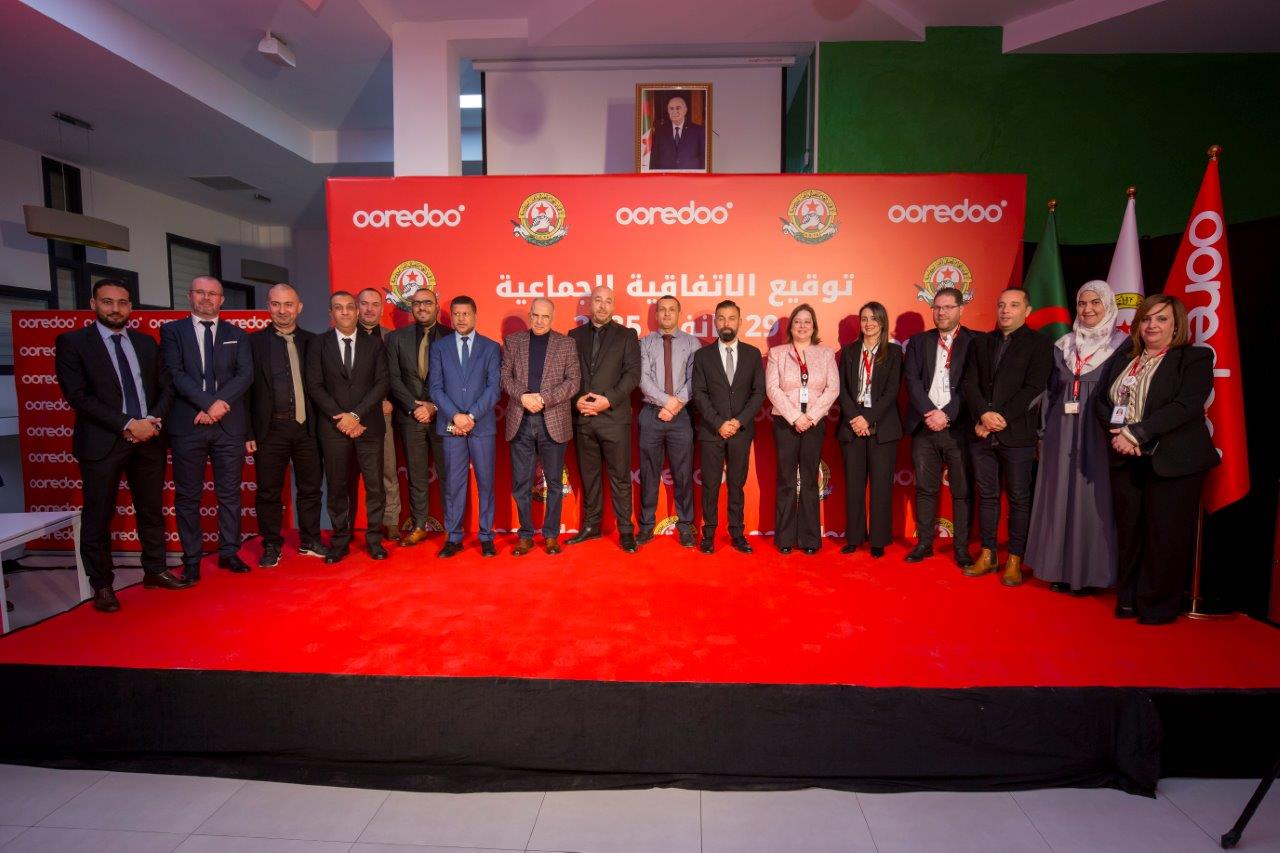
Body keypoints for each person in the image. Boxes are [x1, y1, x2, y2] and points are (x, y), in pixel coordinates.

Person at [55, 279, 190, 612]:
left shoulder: (145, 343)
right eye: (107, 302)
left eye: (122, 302)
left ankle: (155, 570)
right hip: (103, 442)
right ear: (93, 304)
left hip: (148, 440)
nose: (115, 309)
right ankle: (102, 584)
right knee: (98, 515)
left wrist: (151, 422)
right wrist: (128, 424)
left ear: (130, 306)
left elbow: (166, 388)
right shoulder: (73, 343)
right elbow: (78, 396)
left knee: (151, 509)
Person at [1094, 294, 1217, 625]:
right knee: (1130, 533)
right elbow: (1100, 402)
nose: (1152, 325)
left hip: (1174, 460)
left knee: (1165, 535)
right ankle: (1128, 598)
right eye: (1147, 319)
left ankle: (1157, 605)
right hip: (1126, 457)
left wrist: (1136, 434)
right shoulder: (1124, 358)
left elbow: (1185, 406)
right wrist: (1120, 434)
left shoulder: (1194, 358)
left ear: (1176, 325)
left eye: (1161, 319)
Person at [1025, 281, 1128, 594]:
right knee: (1058, 496)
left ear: (1108, 306)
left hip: (1098, 432)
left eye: (1095, 303)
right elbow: (1051, 392)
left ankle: (1090, 574)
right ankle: (1058, 568)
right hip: (1060, 431)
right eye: (1082, 303)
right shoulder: (1063, 345)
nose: (1088, 309)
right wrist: (1042, 433)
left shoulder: (1122, 345)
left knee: (1092, 500)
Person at [159, 276, 253, 580]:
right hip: (188, 424)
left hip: (228, 425)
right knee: (188, 496)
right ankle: (191, 559)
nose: (206, 298)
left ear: (222, 300)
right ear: (190, 296)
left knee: (230, 494)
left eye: (213, 294)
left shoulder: (237, 334)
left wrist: (216, 406)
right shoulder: (172, 332)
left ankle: (229, 552)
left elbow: (244, 376)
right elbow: (175, 374)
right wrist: (207, 404)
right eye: (200, 292)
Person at [962, 287, 1054, 586]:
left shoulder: (1040, 344)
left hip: (1018, 434)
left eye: (1014, 305)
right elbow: (970, 384)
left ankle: (1015, 558)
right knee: (987, 496)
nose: (1005, 310)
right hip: (981, 435)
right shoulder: (980, 342)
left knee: (1019, 498)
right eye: (1001, 304)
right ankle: (988, 554)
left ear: (1027, 311)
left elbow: (1034, 388)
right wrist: (983, 415)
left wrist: (995, 420)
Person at [304, 291, 391, 564]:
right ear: (331, 313)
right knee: (337, 486)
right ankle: (340, 541)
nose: (345, 312)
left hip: (369, 426)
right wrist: (340, 417)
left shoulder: (375, 344)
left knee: (375, 487)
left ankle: (374, 540)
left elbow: (382, 383)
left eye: (350, 307)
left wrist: (356, 415)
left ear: (357, 311)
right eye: (338, 308)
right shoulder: (318, 344)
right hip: (334, 428)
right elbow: (314, 385)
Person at [245, 283, 324, 567]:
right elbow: (245, 392)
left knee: (311, 488)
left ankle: (310, 539)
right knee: (268, 491)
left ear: (298, 307)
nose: (282, 310)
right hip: (270, 430)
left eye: (288, 304)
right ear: (268, 306)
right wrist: (249, 432)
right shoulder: (253, 343)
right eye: (276, 304)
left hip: (308, 429)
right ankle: (271, 544)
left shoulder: (314, 342)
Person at [903, 287, 977, 568]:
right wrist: (929, 413)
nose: (941, 312)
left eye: (947, 307)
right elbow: (912, 381)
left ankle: (961, 548)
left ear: (960, 309)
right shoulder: (918, 342)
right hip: (924, 426)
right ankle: (924, 543)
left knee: (962, 491)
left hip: (958, 427)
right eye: (937, 307)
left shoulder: (974, 342)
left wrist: (946, 415)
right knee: (925, 489)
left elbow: (972, 385)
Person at [501, 298, 581, 555]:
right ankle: (525, 535)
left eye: (545, 316)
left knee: (555, 483)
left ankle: (550, 535)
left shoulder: (566, 344)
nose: (539, 321)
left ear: (552, 318)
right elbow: (505, 377)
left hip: (553, 420)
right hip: (521, 420)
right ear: (530, 314)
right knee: (521, 483)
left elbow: (573, 381)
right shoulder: (513, 342)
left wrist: (544, 399)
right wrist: (523, 396)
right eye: (535, 315)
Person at [567, 286, 641, 552]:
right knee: (589, 477)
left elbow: (632, 375)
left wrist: (607, 400)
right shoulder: (574, 336)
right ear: (590, 304)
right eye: (598, 300)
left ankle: (626, 530)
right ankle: (591, 526)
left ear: (613, 305)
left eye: (608, 301)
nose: (602, 305)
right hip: (584, 418)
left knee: (620, 477)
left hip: (614, 418)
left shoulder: (627, 335)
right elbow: (568, 374)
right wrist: (576, 400)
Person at [429, 296, 502, 558]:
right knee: (453, 485)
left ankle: (486, 536)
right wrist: (455, 416)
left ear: (475, 316)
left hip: (481, 426)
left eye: (465, 314)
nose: (461, 319)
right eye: (456, 314)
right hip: (451, 427)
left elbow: (494, 389)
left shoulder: (491, 347)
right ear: (451, 316)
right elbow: (435, 388)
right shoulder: (439, 347)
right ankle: (454, 537)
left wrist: (470, 416)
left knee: (486, 483)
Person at [692, 300, 765, 554]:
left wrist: (738, 421)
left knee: (736, 485)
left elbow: (758, 393)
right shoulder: (702, 356)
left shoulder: (753, 354)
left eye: (731, 318)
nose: (726, 323)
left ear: (739, 322)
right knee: (710, 486)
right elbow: (699, 393)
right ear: (715, 322)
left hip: (740, 432)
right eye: (721, 318)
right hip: (712, 431)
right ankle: (708, 535)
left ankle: (737, 533)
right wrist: (719, 423)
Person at [767, 303, 839, 555]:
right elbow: (772, 389)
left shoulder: (826, 353)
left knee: (809, 480)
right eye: (798, 321)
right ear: (791, 327)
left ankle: (810, 539)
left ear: (814, 326)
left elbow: (833, 388)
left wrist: (811, 417)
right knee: (786, 479)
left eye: (807, 321)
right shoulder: (777, 353)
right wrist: (795, 417)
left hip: (814, 423)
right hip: (785, 423)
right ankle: (785, 538)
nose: (802, 326)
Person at [837, 302, 903, 558]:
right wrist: (856, 418)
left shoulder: (894, 353)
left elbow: (892, 391)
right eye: (864, 318)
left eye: (874, 318)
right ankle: (854, 538)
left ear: (882, 322)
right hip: (852, 427)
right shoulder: (849, 351)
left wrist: (868, 418)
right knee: (854, 486)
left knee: (881, 487)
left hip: (883, 428)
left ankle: (878, 540)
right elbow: (842, 390)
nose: (868, 323)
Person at [385, 287, 449, 546]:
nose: (422, 307)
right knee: (416, 474)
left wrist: (434, 406)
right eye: (417, 303)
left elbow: (456, 379)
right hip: (410, 417)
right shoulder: (396, 338)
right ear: (410, 307)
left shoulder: (451, 336)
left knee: (449, 475)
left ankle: (452, 528)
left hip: (444, 417)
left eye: (427, 302)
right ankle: (419, 525)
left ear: (437, 306)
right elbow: (393, 378)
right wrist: (414, 407)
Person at [637, 295, 700, 547]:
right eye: (662, 309)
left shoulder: (692, 343)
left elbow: (694, 379)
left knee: (683, 474)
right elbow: (643, 379)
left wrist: (675, 405)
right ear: (656, 314)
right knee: (649, 473)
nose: (666, 314)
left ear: (678, 313)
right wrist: (666, 402)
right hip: (651, 414)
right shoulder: (645, 343)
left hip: (681, 416)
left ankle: (685, 526)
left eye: (671, 309)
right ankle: (646, 526)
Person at [355, 288, 403, 541]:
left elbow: (399, 376)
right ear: (356, 307)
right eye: (364, 304)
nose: (369, 309)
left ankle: (391, 520)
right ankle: (348, 523)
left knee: (387, 469)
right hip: (348, 416)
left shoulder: (391, 338)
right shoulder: (341, 336)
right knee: (347, 474)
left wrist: (392, 402)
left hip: (382, 415)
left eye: (375, 304)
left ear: (382, 309)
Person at [648, 94, 706, 170]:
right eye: (671, 108)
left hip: (690, 175)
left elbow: (704, 158)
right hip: (666, 175)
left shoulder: (699, 130)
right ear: (668, 111)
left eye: (678, 108)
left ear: (685, 110)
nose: (674, 111)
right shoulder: (660, 131)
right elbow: (654, 158)